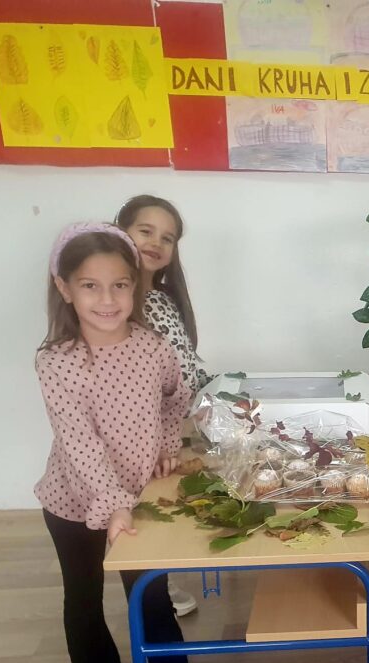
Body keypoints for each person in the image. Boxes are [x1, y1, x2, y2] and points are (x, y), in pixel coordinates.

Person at [35, 222, 221, 663]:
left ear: (135, 286)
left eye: (120, 284)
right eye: (90, 286)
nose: (108, 299)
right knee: (84, 597)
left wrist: (166, 446)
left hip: (140, 504)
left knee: (153, 603)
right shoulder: (57, 361)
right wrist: (112, 502)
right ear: (65, 287)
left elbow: (174, 399)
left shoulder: (151, 346)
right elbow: (80, 443)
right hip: (73, 502)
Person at [117, 195, 209, 617]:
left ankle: (159, 587)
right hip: (138, 444)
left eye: (167, 238)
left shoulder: (163, 298)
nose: (156, 243)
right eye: (145, 231)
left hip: (168, 434)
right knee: (141, 528)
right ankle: (153, 594)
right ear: (120, 232)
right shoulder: (116, 305)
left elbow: (185, 367)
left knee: (157, 515)